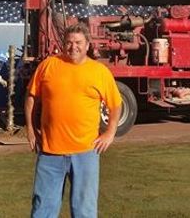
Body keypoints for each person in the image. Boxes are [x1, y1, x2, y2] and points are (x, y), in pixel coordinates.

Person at [25, 22, 122, 218]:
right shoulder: (49, 65)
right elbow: (31, 96)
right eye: (69, 42)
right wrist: (29, 127)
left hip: (86, 152)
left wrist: (110, 132)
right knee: (43, 207)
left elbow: (116, 105)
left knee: (84, 210)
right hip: (50, 152)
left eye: (78, 42)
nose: (73, 47)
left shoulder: (99, 72)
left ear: (88, 45)